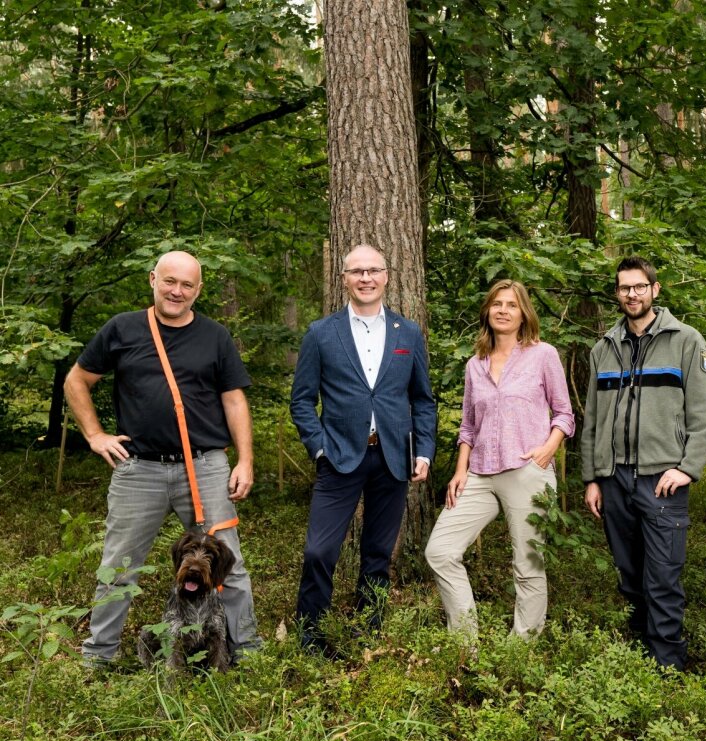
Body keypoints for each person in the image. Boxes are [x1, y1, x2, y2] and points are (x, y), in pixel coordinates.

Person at [65, 250, 260, 666]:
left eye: (187, 284)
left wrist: (245, 460)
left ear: (198, 290)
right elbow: (76, 380)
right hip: (139, 470)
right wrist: (95, 435)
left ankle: (247, 654)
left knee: (230, 566)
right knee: (118, 567)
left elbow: (234, 399)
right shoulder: (122, 328)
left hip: (204, 468)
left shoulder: (215, 336)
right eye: (170, 281)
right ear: (153, 279)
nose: (177, 291)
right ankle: (99, 659)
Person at [290, 244, 437, 654]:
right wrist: (319, 447)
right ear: (344, 279)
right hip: (338, 457)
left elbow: (423, 399)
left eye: (373, 270)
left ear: (386, 276)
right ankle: (310, 637)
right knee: (319, 551)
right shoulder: (321, 333)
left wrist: (423, 451)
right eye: (357, 271)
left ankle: (367, 630)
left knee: (377, 552)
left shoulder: (408, 333)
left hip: (393, 458)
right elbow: (302, 400)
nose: (366, 278)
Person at [580, 256, 706, 669]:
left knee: (662, 578)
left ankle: (667, 667)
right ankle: (641, 660)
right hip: (614, 479)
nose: (632, 294)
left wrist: (687, 468)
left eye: (640, 286)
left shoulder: (686, 341)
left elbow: (705, 414)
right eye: (625, 287)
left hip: (662, 479)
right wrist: (592, 478)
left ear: (655, 290)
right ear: (617, 293)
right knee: (629, 574)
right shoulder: (603, 349)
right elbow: (592, 420)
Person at [424, 280, 574, 638]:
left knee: (528, 564)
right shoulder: (475, 365)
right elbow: (468, 426)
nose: (503, 310)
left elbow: (564, 414)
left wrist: (547, 450)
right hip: (480, 472)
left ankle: (521, 648)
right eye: (497, 304)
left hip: (526, 470)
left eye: (511, 305)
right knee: (440, 551)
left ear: (524, 314)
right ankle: (464, 641)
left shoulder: (543, 355)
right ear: (487, 311)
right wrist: (460, 471)